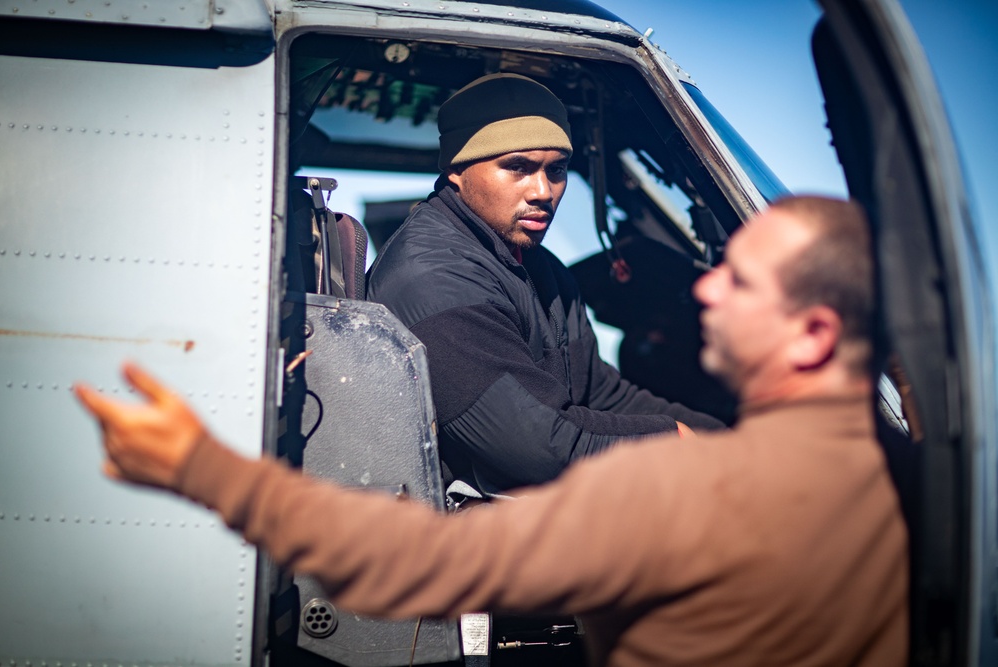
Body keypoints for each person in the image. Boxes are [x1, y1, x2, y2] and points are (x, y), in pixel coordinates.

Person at [75, 195, 908, 666]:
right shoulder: (895, 494)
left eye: (740, 281)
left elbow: (423, 565)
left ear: (813, 335)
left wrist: (207, 470)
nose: (703, 291)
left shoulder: (678, 492)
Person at [365, 73, 723, 499]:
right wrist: (675, 439)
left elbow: (599, 391)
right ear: (456, 170)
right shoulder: (434, 278)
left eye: (557, 170)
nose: (543, 191)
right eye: (517, 167)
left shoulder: (538, 265)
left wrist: (725, 439)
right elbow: (537, 448)